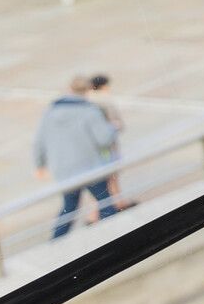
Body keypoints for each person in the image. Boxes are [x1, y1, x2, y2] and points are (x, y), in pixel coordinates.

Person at [33, 76, 119, 239]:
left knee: (69, 208)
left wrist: (39, 165)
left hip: (65, 171)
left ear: (69, 89)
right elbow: (104, 139)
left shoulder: (50, 112)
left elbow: (39, 141)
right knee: (105, 203)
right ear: (87, 91)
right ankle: (114, 238)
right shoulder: (89, 111)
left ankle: (56, 242)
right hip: (91, 168)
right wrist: (113, 128)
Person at [86, 73, 136, 212]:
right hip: (107, 146)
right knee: (112, 176)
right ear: (103, 86)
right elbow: (117, 122)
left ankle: (95, 213)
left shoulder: (85, 100)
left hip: (92, 148)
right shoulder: (105, 100)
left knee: (98, 182)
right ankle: (118, 203)